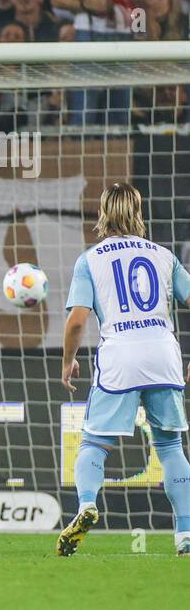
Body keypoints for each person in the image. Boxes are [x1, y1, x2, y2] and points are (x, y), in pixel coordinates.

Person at [59, 183, 190, 557]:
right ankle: (185, 534)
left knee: (94, 444)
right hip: (164, 354)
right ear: (139, 211)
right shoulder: (164, 256)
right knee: (169, 446)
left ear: (102, 213)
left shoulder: (90, 259)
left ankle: (86, 505)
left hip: (120, 356)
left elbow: (76, 322)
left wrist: (68, 361)